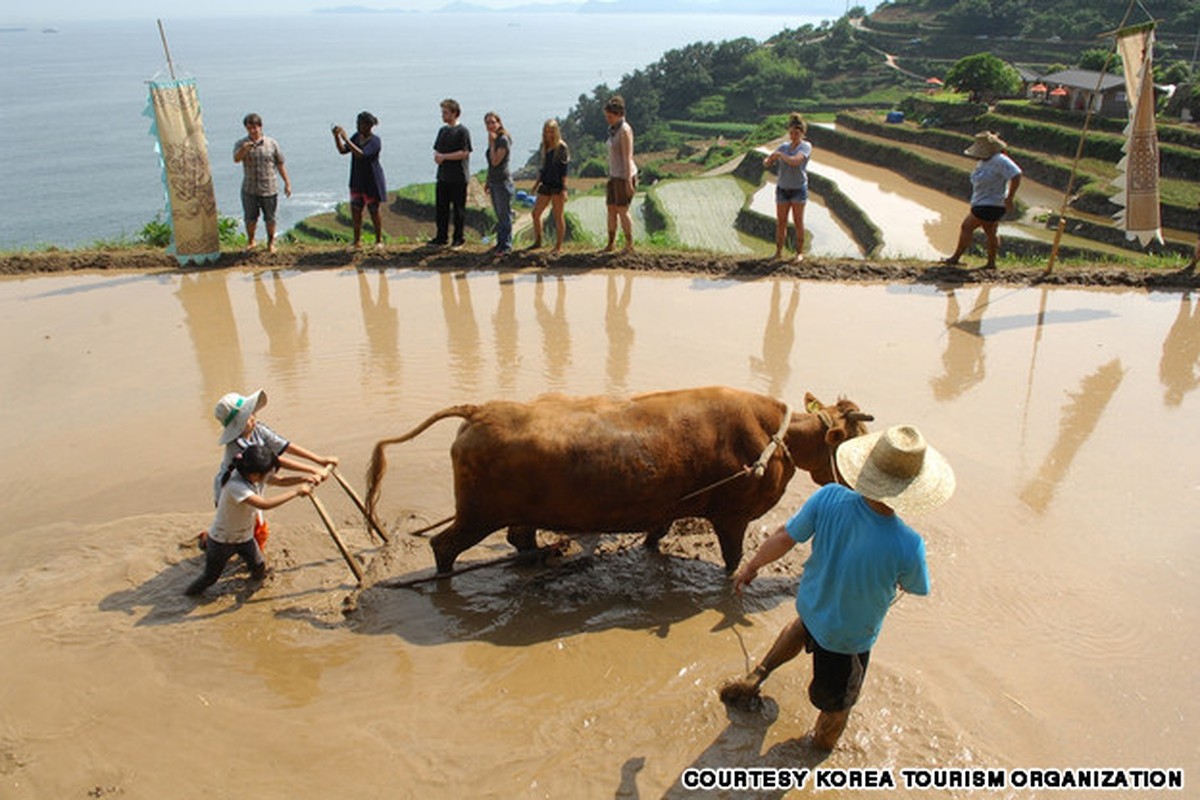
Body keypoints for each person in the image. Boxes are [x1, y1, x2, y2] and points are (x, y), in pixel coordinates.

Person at [718, 424, 955, 751]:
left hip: (812, 605)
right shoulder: (908, 544)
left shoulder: (829, 496)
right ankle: (817, 749)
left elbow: (785, 536)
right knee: (837, 707)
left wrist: (752, 566)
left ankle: (757, 675)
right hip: (848, 639)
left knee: (801, 627)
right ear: (910, 489)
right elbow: (917, 587)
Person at [210, 389, 335, 548]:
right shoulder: (238, 447)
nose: (253, 417)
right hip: (234, 489)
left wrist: (319, 460)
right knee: (239, 528)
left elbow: (286, 447)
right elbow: (276, 465)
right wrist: (311, 471)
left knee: (249, 527)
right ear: (237, 425)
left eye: (252, 413)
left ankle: (225, 543)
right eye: (247, 417)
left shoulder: (258, 429)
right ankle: (216, 543)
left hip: (255, 481)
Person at [185, 445, 313, 596]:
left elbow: (279, 481)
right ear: (255, 475)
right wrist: (296, 492)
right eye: (267, 473)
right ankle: (188, 595)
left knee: (259, 568)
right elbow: (264, 504)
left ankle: (253, 591)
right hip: (222, 540)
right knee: (210, 578)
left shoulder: (251, 475)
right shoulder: (235, 485)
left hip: (245, 538)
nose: (269, 476)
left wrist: (304, 479)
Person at [943, 131, 1022, 269]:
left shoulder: (1000, 159)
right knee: (991, 232)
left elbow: (1016, 174)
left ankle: (955, 258)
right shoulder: (983, 162)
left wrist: (1010, 198)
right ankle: (991, 263)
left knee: (967, 227)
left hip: (991, 204)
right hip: (985, 203)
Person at [233, 113, 292, 253]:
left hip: (269, 187)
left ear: (260, 127)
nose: (252, 131)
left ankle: (271, 243)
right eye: (249, 128)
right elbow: (236, 159)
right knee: (250, 218)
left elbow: (280, 163)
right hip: (249, 187)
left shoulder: (271, 143)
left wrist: (287, 183)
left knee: (270, 218)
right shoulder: (240, 144)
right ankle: (251, 241)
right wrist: (244, 150)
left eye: (254, 127)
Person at [332, 111, 387, 249]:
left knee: (374, 210)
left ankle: (379, 240)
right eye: (357, 123)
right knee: (356, 211)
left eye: (360, 123)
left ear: (368, 126)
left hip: (371, 181)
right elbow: (343, 151)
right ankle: (357, 241)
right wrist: (337, 137)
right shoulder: (357, 137)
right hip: (357, 180)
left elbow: (362, 154)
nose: (357, 126)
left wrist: (346, 139)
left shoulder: (375, 141)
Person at [763, 112, 812, 262]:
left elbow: (795, 161)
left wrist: (779, 155)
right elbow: (767, 161)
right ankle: (778, 253)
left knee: (798, 222)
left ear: (802, 133)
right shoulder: (783, 147)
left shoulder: (806, 146)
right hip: (782, 189)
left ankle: (799, 253)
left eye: (796, 133)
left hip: (798, 189)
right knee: (781, 222)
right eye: (791, 133)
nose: (793, 136)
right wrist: (769, 160)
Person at [431, 99, 472, 248]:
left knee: (458, 209)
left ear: (454, 113)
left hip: (458, 177)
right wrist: (437, 156)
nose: (443, 115)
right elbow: (437, 149)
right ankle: (441, 237)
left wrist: (445, 157)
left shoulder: (462, 131)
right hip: (443, 176)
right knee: (441, 208)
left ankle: (458, 238)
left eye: (446, 112)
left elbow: (464, 153)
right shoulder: (443, 130)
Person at [602, 95, 637, 254]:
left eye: (610, 116)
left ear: (619, 115)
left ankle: (629, 244)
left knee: (622, 209)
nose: (608, 119)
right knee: (611, 209)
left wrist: (628, 181)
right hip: (614, 175)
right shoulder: (613, 130)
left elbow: (627, 157)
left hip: (624, 175)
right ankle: (611, 243)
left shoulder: (624, 130)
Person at [529, 119, 570, 255]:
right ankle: (538, 241)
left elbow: (564, 170)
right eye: (547, 131)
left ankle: (558, 247)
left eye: (552, 131)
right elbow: (543, 168)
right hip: (546, 184)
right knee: (536, 213)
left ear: (556, 131)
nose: (549, 134)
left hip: (558, 185)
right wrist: (536, 185)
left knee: (558, 216)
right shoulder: (545, 146)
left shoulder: (561, 147)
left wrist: (564, 189)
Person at [483, 111, 514, 257]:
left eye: (492, 122)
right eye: (488, 123)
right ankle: (500, 243)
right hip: (494, 181)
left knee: (504, 215)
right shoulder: (495, 139)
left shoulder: (502, 140)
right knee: (499, 215)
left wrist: (492, 142)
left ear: (499, 123)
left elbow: (496, 161)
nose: (490, 125)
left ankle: (506, 246)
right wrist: (488, 181)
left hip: (503, 182)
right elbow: (491, 165)